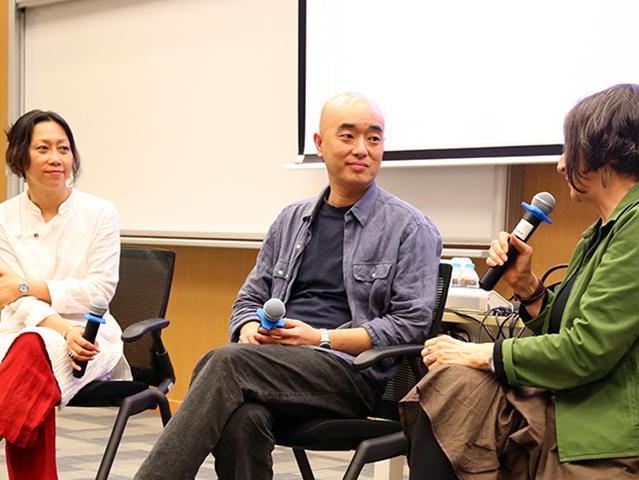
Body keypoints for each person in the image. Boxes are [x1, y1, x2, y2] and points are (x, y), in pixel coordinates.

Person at [402, 84, 639, 479]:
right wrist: (527, 287)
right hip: (592, 400)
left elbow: (587, 349)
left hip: (638, 431)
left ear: (607, 154)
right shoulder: (606, 228)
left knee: (456, 390)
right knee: (451, 390)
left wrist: (481, 354)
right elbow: (571, 330)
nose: (560, 165)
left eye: (570, 150)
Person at [135, 93, 442, 479]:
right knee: (243, 418)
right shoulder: (291, 221)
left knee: (226, 363)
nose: (362, 149)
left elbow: (410, 325)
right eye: (348, 136)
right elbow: (249, 298)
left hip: (349, 374)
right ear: (320, 144)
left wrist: (320, 338)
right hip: (272, 367)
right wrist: (249, 328)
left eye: (374, 138)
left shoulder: (410, 228)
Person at [0, 110, 130, 480]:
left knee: (31, 359)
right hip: (24, 330)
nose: (56, 158)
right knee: (33, 353)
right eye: (43, 148)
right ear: (20, 156)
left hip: (89, 336)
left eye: (64, 149)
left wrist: (27, 286)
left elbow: (98, 291)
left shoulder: (101, 213)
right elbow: (17, 304)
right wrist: (59, 327)